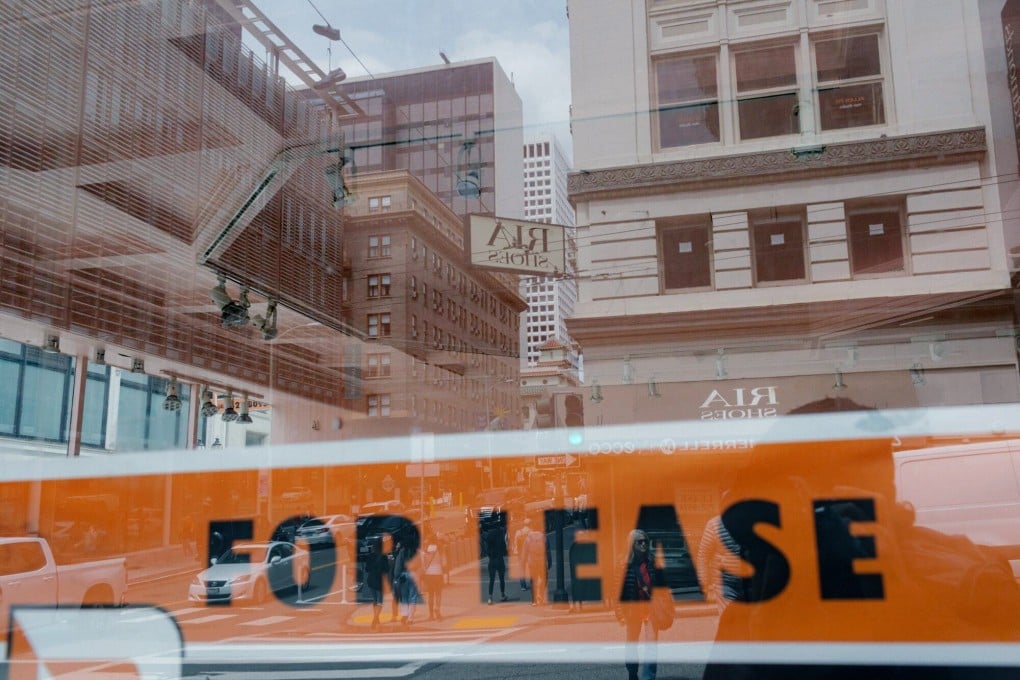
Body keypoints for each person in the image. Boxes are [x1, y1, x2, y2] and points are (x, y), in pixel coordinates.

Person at [617, 529, 665, 680]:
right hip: (632, 610)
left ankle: (648, 677)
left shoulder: (652, 561)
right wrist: (620, 613)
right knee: (632, 643)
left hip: (651, 609)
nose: (644, 544)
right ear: (632, 545)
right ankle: (632, 673)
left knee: (651, 644)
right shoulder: (623, 564)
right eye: (640, 542)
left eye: (645, 541)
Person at [390, 538, 419, 627]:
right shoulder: (415, 551)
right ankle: (411, 618)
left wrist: (396, 577)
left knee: (404, 597)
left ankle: (404, 615)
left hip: (403, 575)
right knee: (413, 597)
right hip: (414, 574)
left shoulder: (402, 552)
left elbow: (398, 566)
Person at [520, 521, 549, 606]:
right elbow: (547, 551)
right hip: (542, 561)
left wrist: (523, 563)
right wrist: (549, 562)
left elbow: (524, 552)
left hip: (532, 562)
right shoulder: (543, 537)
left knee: (533, 581)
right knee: (544, 579)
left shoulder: (528, 538)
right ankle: (542, 598)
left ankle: (534, 601)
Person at [362, 537, 388, 631]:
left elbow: (367, 569)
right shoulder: (384, 556)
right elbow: (386, 570)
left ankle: (377, 619)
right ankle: (375, 619)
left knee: (375, 600)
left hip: (371, 579)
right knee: (380, 601)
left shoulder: (370, 556)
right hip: (379, 579)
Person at [421, 534, 447, 620]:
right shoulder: (440, 548)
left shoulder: (425, 549)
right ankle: (437, 609)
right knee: (438, 593)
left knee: (430, 595)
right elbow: (444, 563)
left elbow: (423, 563)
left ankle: (431, 615)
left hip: (428, 574)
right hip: (438, 573)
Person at [484, 520, 509, 604]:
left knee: (492, 579)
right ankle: (502, 595)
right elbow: (504, 548)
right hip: (499, 559)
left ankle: (490, 598)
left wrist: (490, 555)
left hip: (492, 560)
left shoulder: (488, 536)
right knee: (501, 578)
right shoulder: (500, 534)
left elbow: (486, 549)